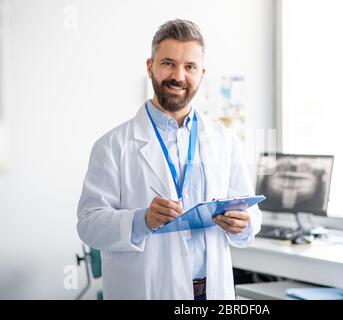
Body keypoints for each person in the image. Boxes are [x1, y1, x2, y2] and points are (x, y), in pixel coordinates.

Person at [76, 19, 262, 300]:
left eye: (189, 67)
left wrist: (244, 223)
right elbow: (89, 225)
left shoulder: (224, 141)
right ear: (150, 66)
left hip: (212, 291)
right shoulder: (112, 145)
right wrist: (142, 220)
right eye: (168, 64)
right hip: (148, 290)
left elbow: (250, 213)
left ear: (201, 73)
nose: (178, 76)